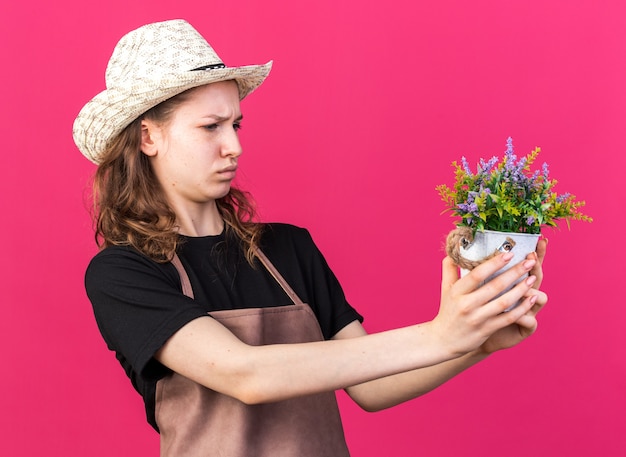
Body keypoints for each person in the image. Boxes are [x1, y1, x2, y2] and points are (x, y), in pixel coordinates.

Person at [73, 19, 548, 457]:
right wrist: (442, 334)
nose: (234, 145)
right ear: (148, 138)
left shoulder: (288, 248)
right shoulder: (123, 273)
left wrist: (476, 341)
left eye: (235, 124)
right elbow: (246, 375)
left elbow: (372, 387)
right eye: (210, 127)